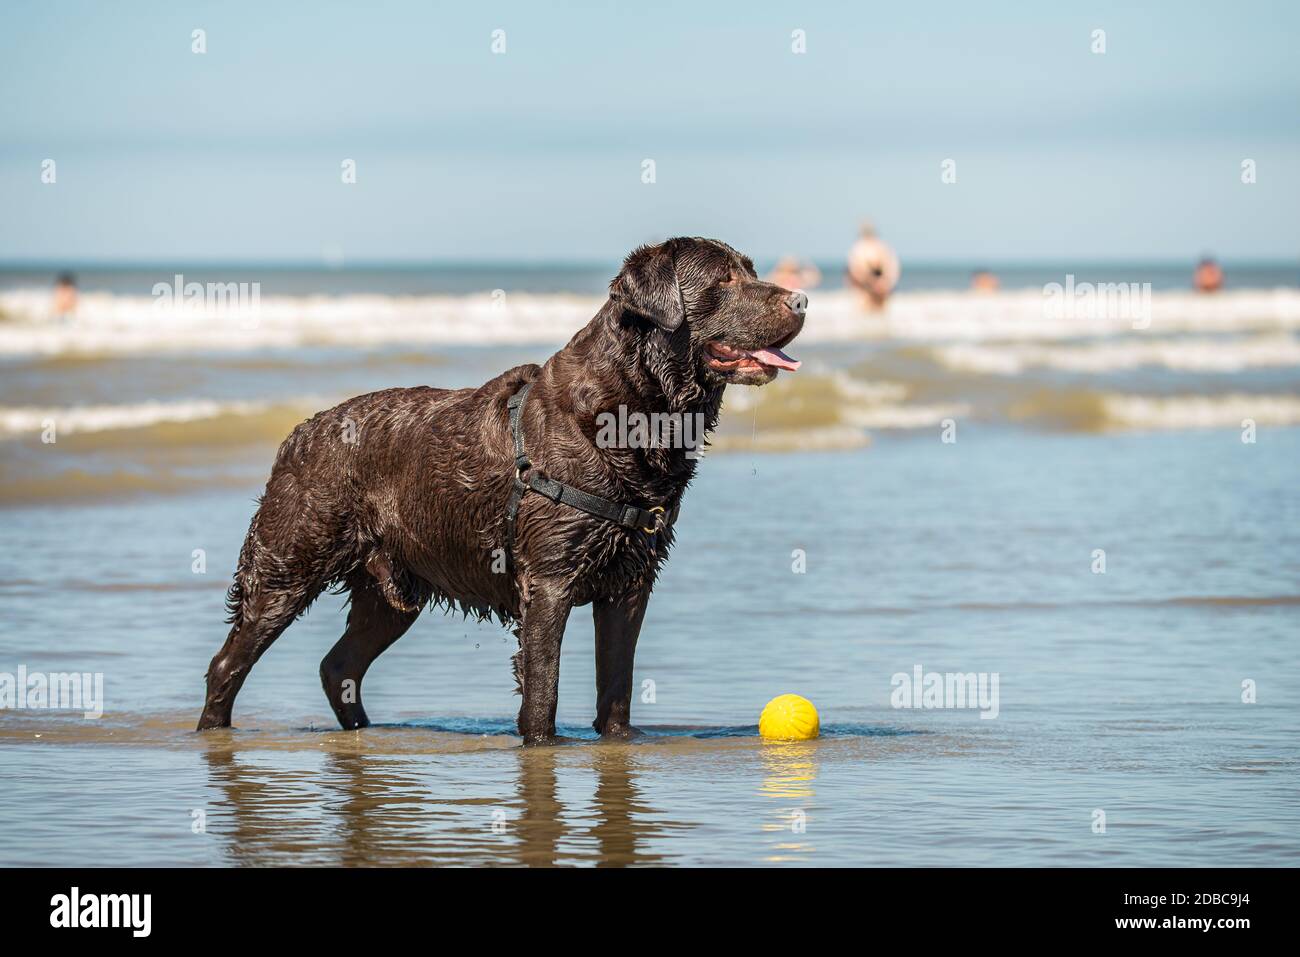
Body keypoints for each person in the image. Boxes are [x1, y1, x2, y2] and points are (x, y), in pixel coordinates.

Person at [845, 222, 900, 310]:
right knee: (864, 310)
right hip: (864, 287)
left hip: (880, 285)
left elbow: (891, 267)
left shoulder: (880, 247)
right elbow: (854, 270)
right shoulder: (859, 248)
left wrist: (884, 283)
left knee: (880, 312)